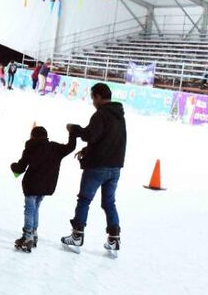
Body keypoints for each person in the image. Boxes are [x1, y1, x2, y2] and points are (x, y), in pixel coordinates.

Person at [62, 82, 126, 256]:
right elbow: (107, 140)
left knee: (84, 200)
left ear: (98, 96)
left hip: (98, 166)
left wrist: (73, 129)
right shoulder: (119, 115)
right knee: (109, 202)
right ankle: (114, 238)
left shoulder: (100, 115)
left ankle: (77, 236)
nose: (93, 102)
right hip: (115, 167)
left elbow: (90, 135)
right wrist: (87, 150)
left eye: (93, 98)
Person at [9, 126, 76, 252]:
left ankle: (27, 236)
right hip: (46, 186)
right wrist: (72, 133)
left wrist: (13, 166)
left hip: (31, 185)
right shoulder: (55, 148)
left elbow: (20, 168)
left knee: (29, 209)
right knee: (36, 208)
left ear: (33, 136)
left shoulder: (30, 149)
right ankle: (33, 234)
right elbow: (70, 147)